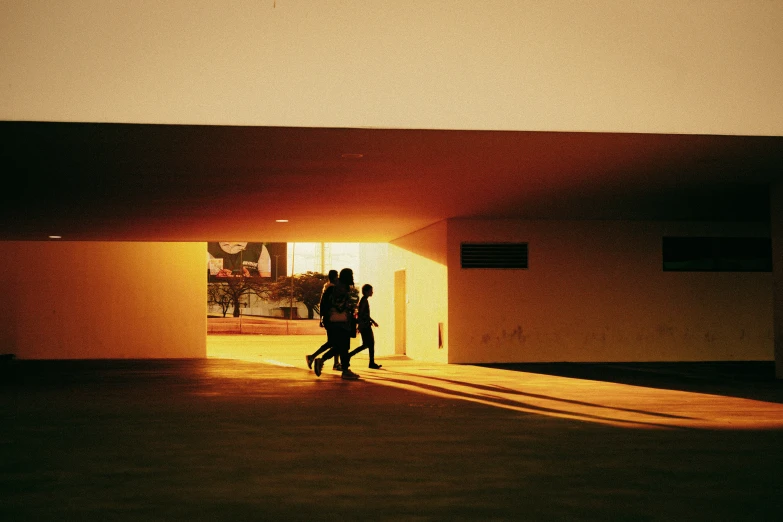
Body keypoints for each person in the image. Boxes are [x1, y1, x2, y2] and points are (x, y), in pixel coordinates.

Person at [313, 268, 360, 380]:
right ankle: (344, 370)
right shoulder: (340, 288)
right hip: (339, 322)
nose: (352, 276)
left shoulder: (334, 287)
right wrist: (349, 305)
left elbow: (325, 304)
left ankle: (322, 361)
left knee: (340, 346)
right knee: (343, 347)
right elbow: (339, 305)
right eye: (351, 274)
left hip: (335, 322)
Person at [306, 270, 340, 371]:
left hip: (329, 318)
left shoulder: (327, 288)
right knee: (333, 342)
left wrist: (321, 318)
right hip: (331, 319)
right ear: (334, 277)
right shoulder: (331, 289)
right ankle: (312, 357)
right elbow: (328, 304)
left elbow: (322, 303)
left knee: (335, 342)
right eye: (337, 276)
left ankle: (336, 363)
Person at [348, 284, 382, 369]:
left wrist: (373, 321)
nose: (372, 292)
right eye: (371, 290)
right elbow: (361, 314)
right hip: (365, 326)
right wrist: (360, 325)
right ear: (366, 291)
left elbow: (364, 314)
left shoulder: (364, 300)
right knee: (369, 344)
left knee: (367, 344)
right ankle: (350, 356)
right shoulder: (363, 301)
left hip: (365, 325)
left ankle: (370, 362)